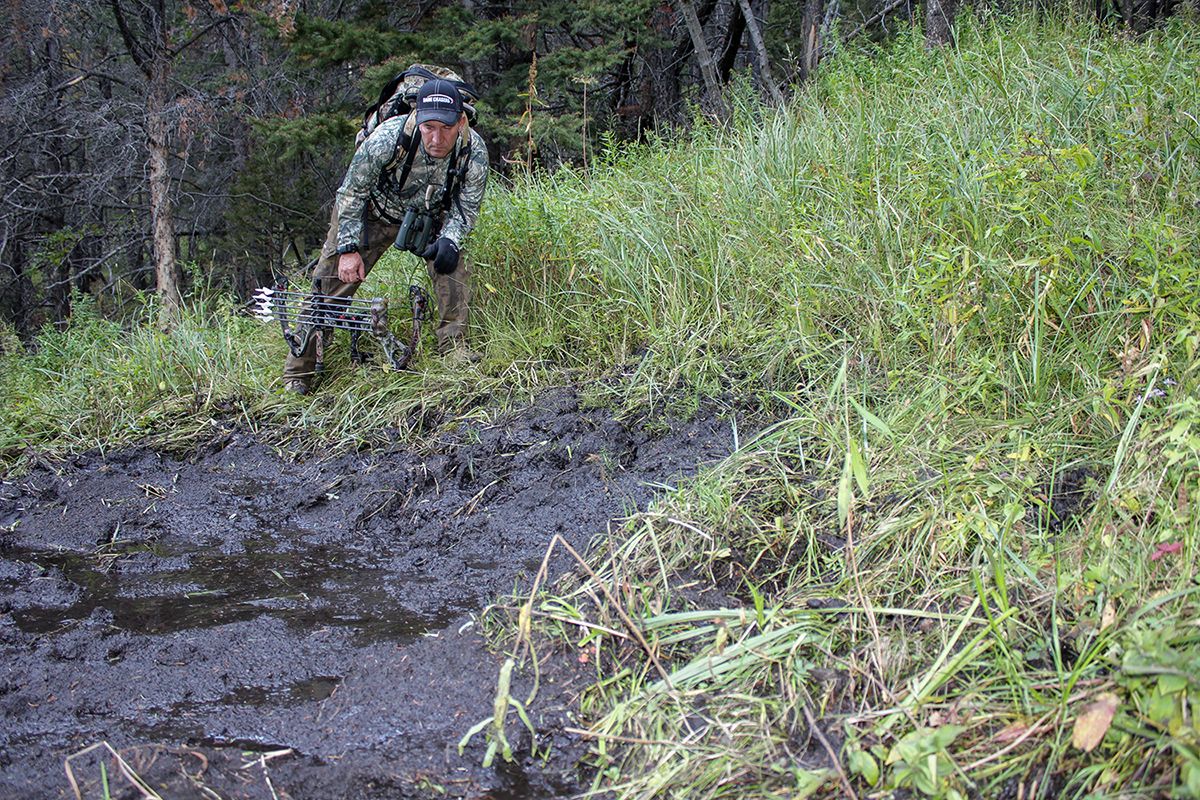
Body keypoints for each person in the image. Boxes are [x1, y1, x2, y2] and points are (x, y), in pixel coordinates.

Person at [282, 78, 489, 395]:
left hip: (428, 214)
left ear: (461, 121)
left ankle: (454, 353)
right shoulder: (388, 138)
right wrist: (349, 248)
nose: (436, 137)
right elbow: (351, 192)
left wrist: (451, 239)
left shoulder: (473, 152)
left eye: (445, 128)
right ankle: (300, 371)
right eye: (428, 126)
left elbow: (466, 207)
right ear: (417, 119)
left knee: (453, 269)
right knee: (329, 281)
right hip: (371, 212)